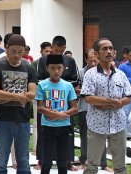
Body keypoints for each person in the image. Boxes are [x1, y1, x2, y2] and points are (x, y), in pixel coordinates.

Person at [80, 38, 131, 174]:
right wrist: (111, 102)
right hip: (96, 125)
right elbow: (88, 98)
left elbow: (128, 96)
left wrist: (119, 103)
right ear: (97, 54)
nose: (108, 51)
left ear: (114, 52)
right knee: (92, 165)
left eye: (110, 48)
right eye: (104, 48)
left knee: (120, 166)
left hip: (118, 124)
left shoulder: (121, 75)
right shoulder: (90, 75)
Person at [0, 34, 37, 174]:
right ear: (7, 48)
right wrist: (19, 96)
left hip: (23, 119)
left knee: (23, 160)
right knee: (2, 160)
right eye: (14, 51)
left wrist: (6, 97)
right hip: (3, 119)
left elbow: (32, 93)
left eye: (20, 52)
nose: (17, 55)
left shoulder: (29, 67)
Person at [36, 36, 79, 171]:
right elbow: (40, 106)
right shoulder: (42, 63)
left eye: (59, 68)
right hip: (47, 122)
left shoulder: (70, 62)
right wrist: (52, 113)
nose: (56, 71)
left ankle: (68, 162)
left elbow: (75, 81)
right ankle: (40, 161)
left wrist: (62, 114)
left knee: (62, 157)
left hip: (64, 120)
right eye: (52, 68)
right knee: (46, 158)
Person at [76, 49, 109, 171]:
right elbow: (76, 89)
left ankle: (103, 163)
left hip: (100, 108)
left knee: (102, 134)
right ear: (86, 60)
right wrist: (88, 92)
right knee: (85, 136)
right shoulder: (80, 72)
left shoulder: (104, 72)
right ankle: (84, 160)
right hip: (84, 108)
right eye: (91, 61)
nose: (94, 64)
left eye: (96, 61)